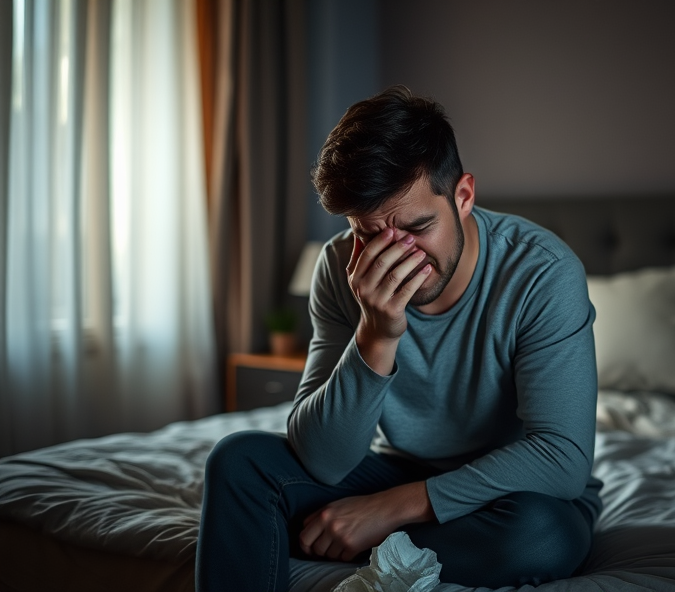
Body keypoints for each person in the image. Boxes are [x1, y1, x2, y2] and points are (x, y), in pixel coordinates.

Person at [196, 85, 602, 592]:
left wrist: (389, 509)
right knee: (238, 462)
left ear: (464, 196)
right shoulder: (339, 267)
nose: (399, 257)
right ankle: (369, 542)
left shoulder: (542, 273)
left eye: (418, 226)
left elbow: (560, 460)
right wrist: (376, 335)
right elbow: (322, 459)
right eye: (370, 234)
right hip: (394, 468)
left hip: (511, 495)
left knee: (543, 537)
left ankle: (343, 537)